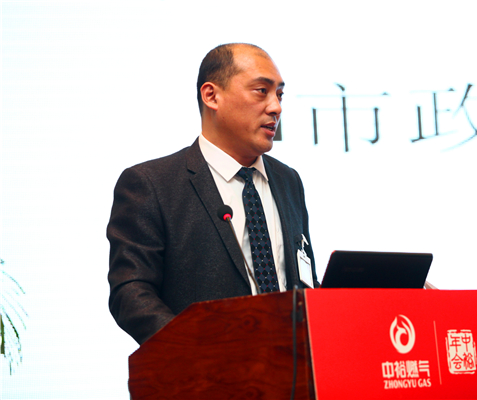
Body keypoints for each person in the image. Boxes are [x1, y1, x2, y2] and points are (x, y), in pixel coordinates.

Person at [107, 43, 318, 345]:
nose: (276, 107)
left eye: (280, 94)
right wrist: (197, 353)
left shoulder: (288, 181)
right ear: (211, 96)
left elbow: (301, 278)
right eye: (261, 91)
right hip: (203, 370)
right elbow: (131, 293)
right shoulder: (151, 184)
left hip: (291, 366)